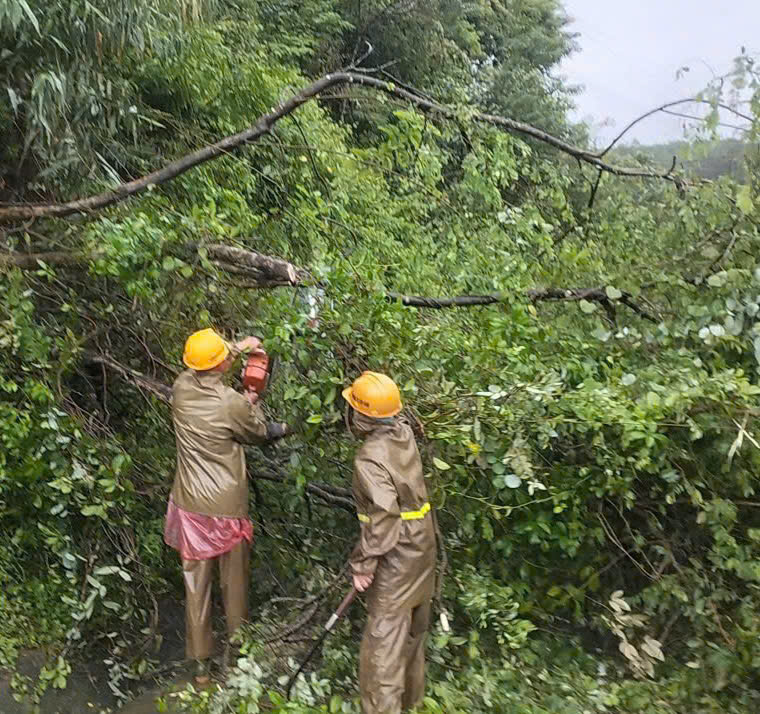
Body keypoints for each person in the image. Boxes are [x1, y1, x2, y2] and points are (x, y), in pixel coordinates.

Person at [164, 327, 290, 684]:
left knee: (196, 587)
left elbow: (207, 362)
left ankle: (200, 669)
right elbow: (260, 433)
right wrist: (255, 401)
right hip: (225, 508)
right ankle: (238, 657)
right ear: (221, 364)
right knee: (233, 585)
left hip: (189, 505)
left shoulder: (182, 387)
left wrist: (238, 346)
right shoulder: (230, 402)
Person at [343, 371, 437, 714]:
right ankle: (410, 705)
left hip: (396, 556)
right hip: (423, 549)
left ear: (361, 415)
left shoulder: (369, 457)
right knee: (412, 637)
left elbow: (384, 514)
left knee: (382, 652)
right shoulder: (403, 433)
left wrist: (363, 565)